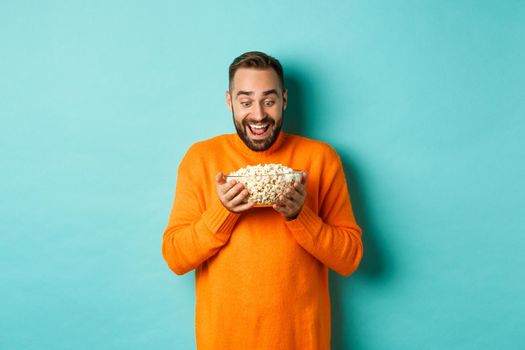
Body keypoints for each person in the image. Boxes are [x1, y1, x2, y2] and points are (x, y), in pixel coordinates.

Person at [161, 51, 363, 350]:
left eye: (268, 101)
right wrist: (223, 211)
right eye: (246, 102)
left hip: (302, 340)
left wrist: (300, 216)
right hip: (223, 340)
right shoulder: (201, 159)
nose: (258, 115)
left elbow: (349, 260)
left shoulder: (320, 159)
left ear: (284, 99)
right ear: (230, 102)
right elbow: (176, 257)